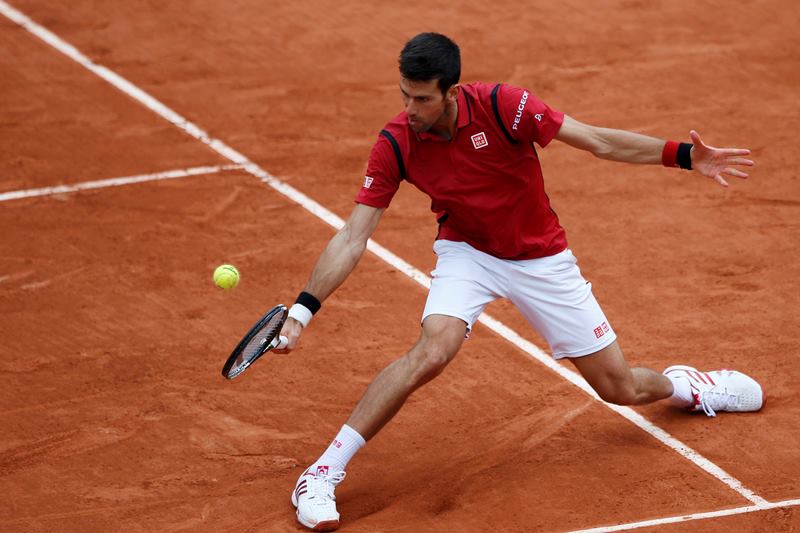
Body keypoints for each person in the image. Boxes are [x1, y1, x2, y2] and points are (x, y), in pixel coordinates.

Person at [278, 32, 761, 531]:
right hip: (468, 253)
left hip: (540, 259)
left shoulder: (503, 106)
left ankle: (687, 386)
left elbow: (596, 140)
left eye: (421, 98)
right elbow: (354, 235)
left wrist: (684, 155)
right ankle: (322, 472)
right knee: (432, 350)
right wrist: (301, 312)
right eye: (404, 95)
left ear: (451, 91)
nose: (410, 109)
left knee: (619, 388)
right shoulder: (397, 141)